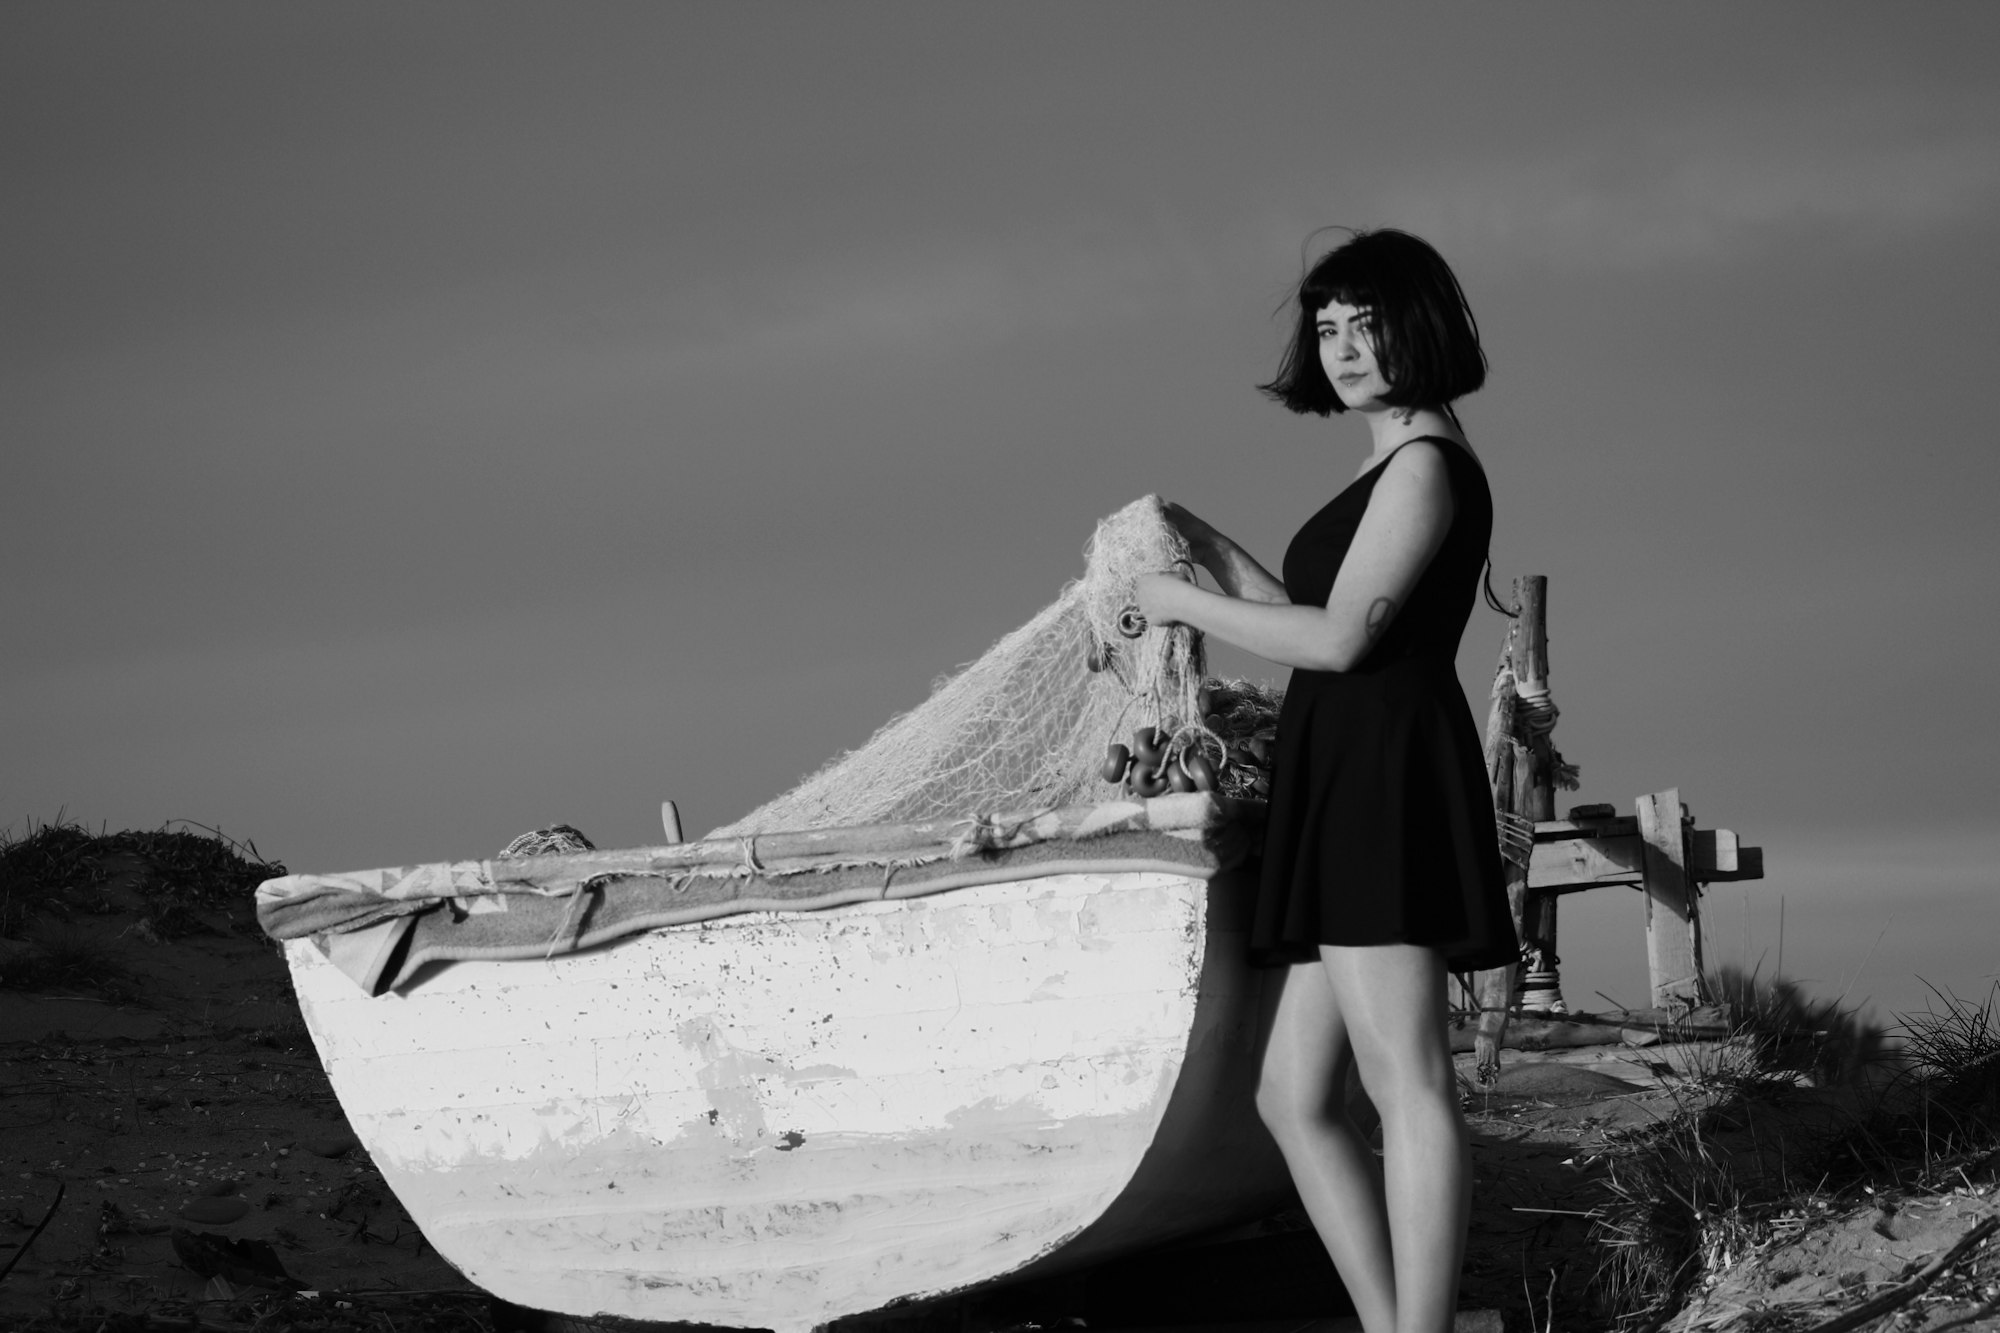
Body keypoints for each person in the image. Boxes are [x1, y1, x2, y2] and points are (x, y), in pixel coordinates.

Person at [1134, 228, 1518, 1333]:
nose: (1344, 348)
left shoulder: (1427, 466)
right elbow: (1314, 613)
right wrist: (1204, 557)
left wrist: (1184, 604)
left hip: (1378, 778)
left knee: (1408, 1085)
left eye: (1367, 324)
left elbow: (1345, 638)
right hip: (1342, 771)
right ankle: (1392, 1321)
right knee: (1291, 1098)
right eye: (1327, 328)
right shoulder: (1384, 463)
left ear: (1423, 327)